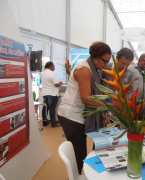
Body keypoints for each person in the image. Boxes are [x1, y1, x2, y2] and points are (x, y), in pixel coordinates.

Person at [58, 42, 112, 174]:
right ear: (95, 57)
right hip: (71, 116)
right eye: (105, 61)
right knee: (79, 154)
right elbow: (86, 98)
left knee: (86, 149)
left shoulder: (95, 69)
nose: (106, 65)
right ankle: (75, 176)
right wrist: (110, 106)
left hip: (80, 115)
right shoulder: (85, 70)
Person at [41, 61, 62, 127]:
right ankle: (53, 124)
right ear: (50, 66)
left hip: (45, 93)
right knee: (52, 109)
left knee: (45, 108)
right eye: (53, 66)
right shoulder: (52, 73)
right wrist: (60, 83)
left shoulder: (42, 73)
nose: (54, 67)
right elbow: (56, 84)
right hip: (52, 94)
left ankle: (44, 122)